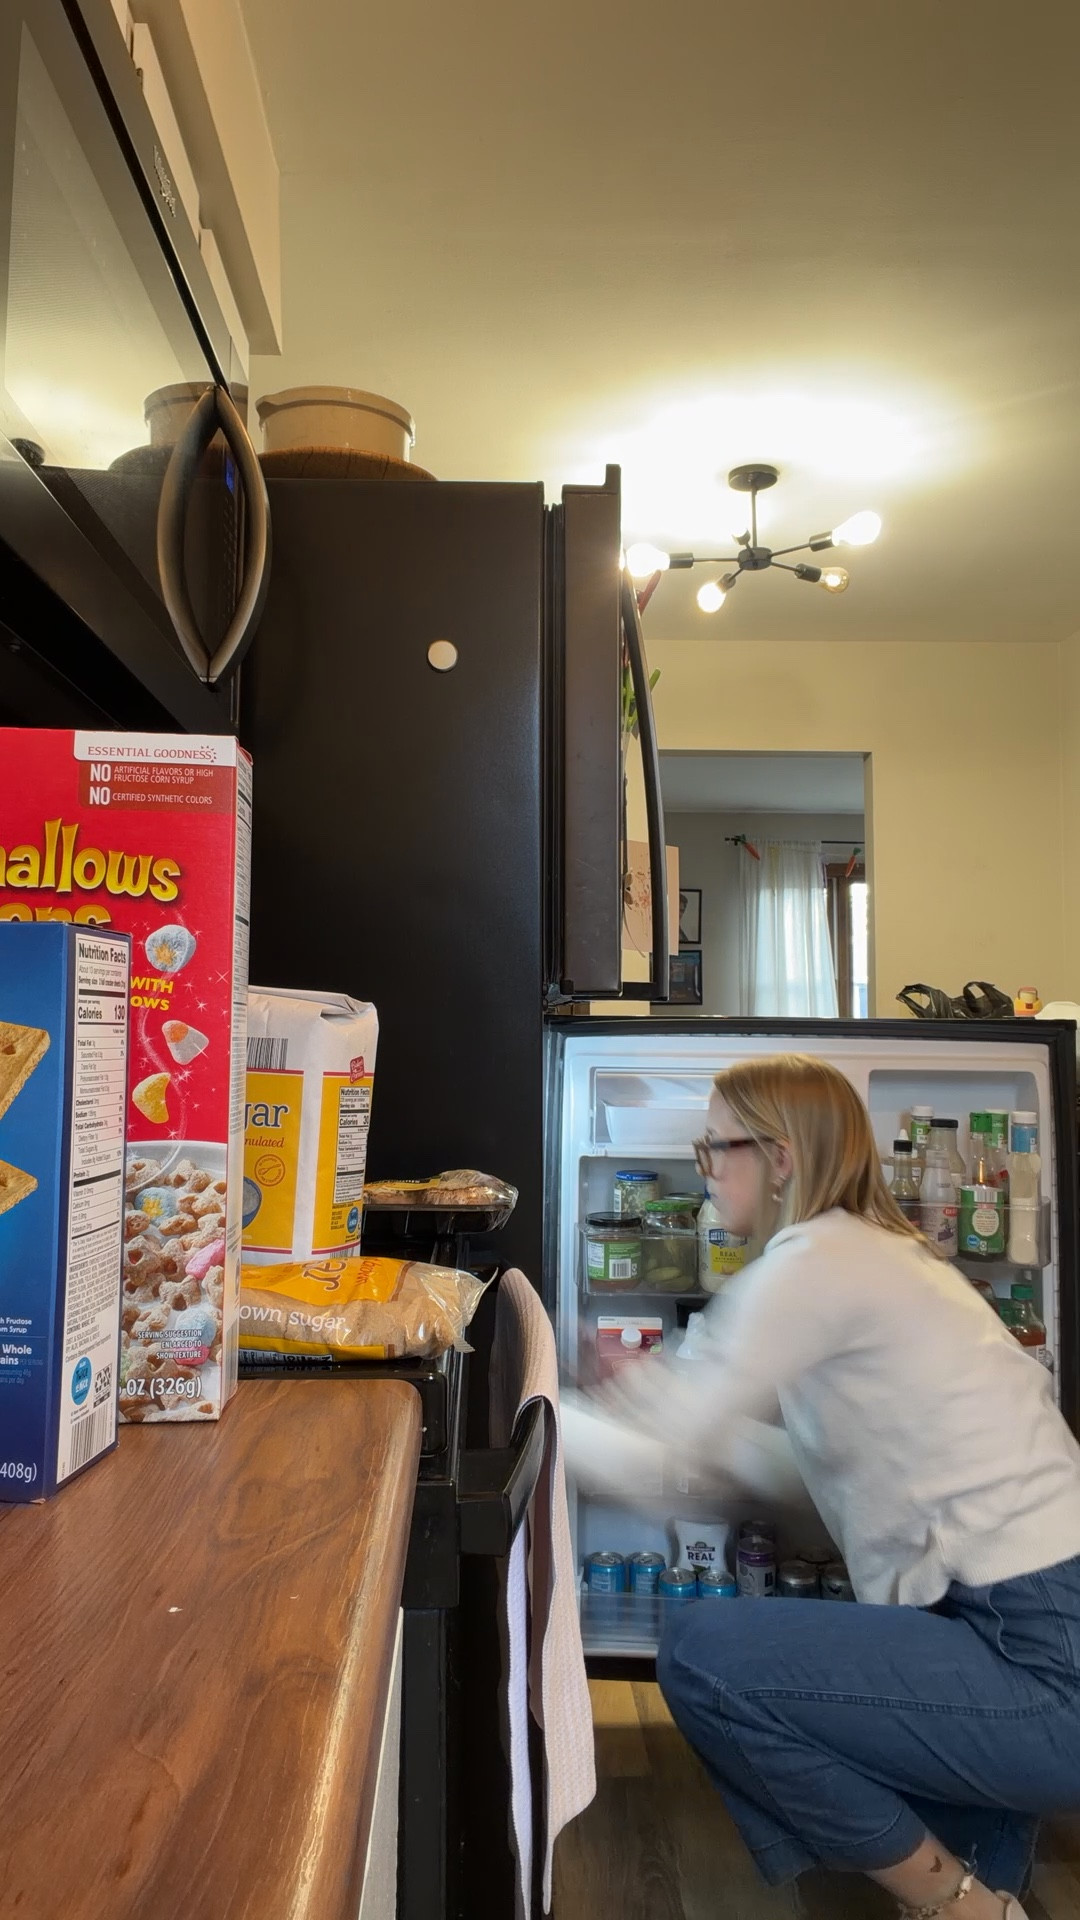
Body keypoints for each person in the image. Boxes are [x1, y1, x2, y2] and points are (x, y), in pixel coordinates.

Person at [565, 1054, 1080, 1920]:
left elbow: (659, 1455)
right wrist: (674, 1425)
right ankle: (984, 1892)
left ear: (779, 1158)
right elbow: (791, 1474)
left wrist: (536, 1407)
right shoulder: (877, 1256)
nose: (703, 1170)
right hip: (1013, 1622)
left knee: (704, 1655)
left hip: (1035, 1649)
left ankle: (966, 1908)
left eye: (713, 1149)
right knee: (915, 1771)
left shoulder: (814, 1262)